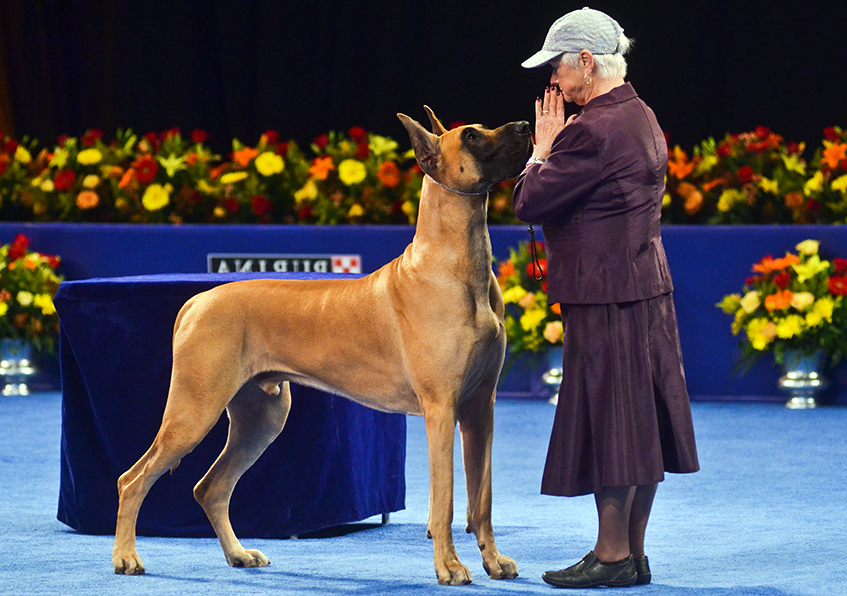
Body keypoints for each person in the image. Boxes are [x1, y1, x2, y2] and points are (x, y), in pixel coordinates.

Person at [512, 7, 700, 589]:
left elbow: (529, 203)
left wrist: (541, 150)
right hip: (646, 291)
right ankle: (633, 556)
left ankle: (613, 556)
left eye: (559, 70)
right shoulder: (639, 114)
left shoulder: (590, 129)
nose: (554, 84)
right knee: (639, 423)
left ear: (587, 62)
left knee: (614, 424)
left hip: (606, 297)